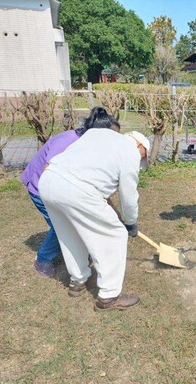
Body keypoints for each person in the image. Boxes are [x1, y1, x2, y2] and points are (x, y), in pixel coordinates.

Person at [38, 128, 150, 312]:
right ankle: (109, 296)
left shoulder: (98, 133)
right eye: (143, 156)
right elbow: (128, 196)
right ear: (139, 144)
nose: (140, 161)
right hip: (75, 190)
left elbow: (94, 178)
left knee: (69, 233)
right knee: (116, 234)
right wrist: (130, 223)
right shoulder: (130, 152)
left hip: (49, 181)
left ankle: (78, 280)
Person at [21, 107, 120, 278]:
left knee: (71, 221)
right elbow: (48, 173)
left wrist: (115, 212)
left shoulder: (92, 148)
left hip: (60, 188)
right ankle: (43, 260)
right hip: (41, 188)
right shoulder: (69, 140)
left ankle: (79, 249)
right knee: (62, 224)